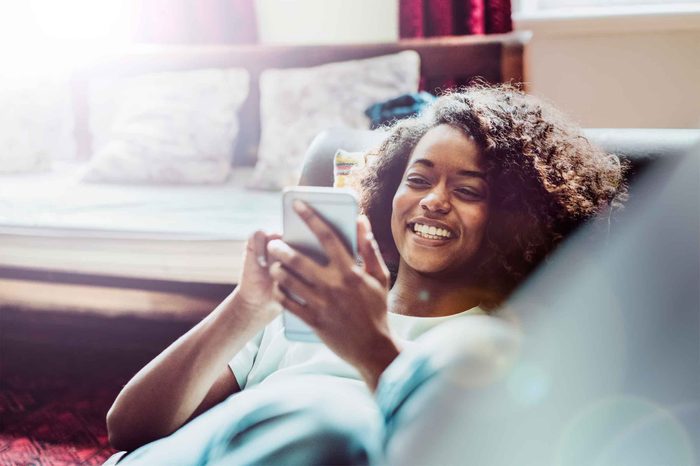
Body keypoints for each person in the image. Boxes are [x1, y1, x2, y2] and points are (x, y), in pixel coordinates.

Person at [105, 85, 626, 465]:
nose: (432, 201)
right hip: (205, 452)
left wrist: (371, 346)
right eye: (417, 179)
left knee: (330, 427)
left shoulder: (503, 340)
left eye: (468, 191)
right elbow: (129, 429)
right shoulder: (315, 300)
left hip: (313, 450)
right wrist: (245, 309)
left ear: (515, 220)